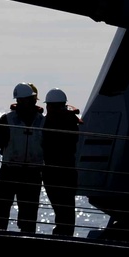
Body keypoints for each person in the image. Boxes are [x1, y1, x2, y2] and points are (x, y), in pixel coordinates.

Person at [0, 82, 46, 234]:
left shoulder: (42, 121)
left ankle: (24, 235)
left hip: (31, 172)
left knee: (28, 211)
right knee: (0, 206)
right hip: (12, 169)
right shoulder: (8, 120)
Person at [42, 88, 80, 237]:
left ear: (49, 106)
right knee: (67, 209)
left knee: (60, 208)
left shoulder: (48, 122)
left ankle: (61, 236)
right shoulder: (71, 121)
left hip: (52, 171)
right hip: (68, 170)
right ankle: (65, 236)